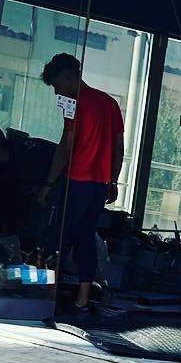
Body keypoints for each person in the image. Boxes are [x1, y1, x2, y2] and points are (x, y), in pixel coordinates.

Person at [37, 53, 123, 312]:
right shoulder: (109, 103)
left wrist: (48, 183)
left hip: (77, 180)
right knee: (85, 237)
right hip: (99, 185)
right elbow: (118, 147)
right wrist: (113, 181)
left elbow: (67, 145)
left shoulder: (73, 104)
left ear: (68, 77)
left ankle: (48, 294)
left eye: (56, 85)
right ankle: (83, 297)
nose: (56, 92)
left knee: (61, 236)